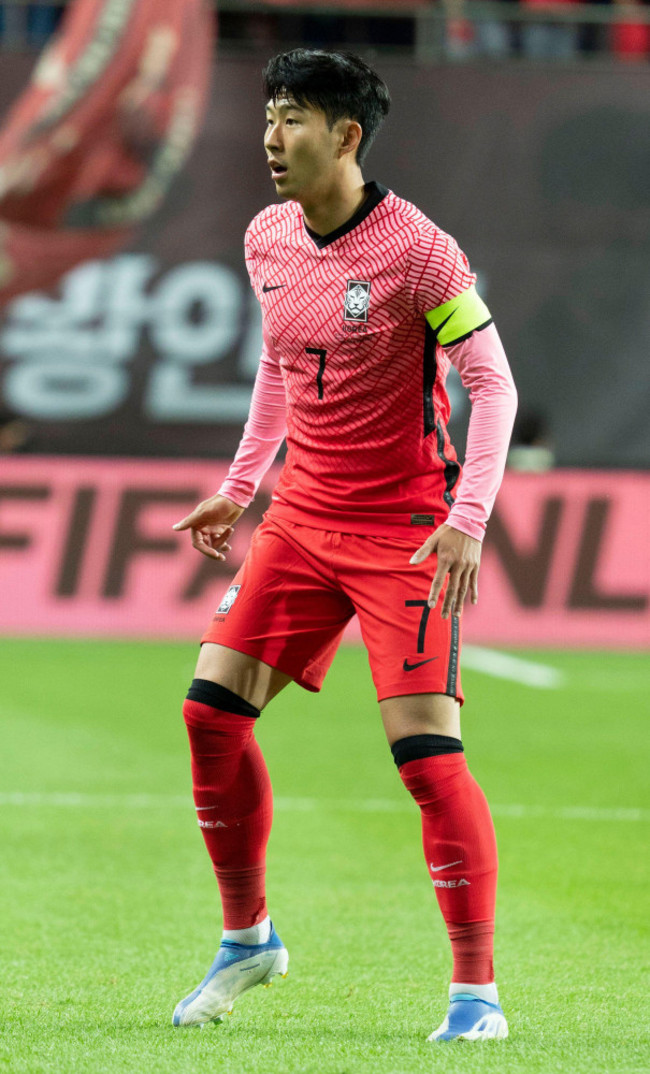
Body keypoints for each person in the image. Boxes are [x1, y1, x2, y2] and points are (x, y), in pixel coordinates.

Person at [171, 48, 517, 1043]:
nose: (271, 139)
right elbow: (280, 366)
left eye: (292, 119)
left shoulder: (419, 254)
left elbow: (490, 386)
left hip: (402, 533)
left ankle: (474, 994)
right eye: (268, 115)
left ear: (346, 136)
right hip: (299, 522)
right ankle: (248, 939)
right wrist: (239, 490)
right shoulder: (266, 235)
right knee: (207, 716)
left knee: (425, 759)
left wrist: (465, 521)